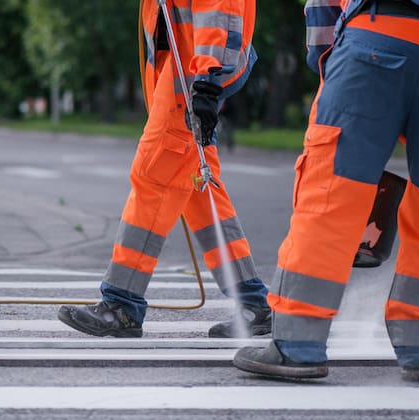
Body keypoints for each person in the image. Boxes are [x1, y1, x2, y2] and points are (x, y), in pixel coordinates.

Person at [233, 0, 419, 381]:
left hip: (374, 38)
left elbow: (323, 7)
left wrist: (329, 61)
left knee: (331, 194)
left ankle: (297, 345)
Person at [58, 0, 270, 338]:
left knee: (153, 179)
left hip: (190, 82)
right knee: (202, 194)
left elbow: (220, 11)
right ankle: (252, 303)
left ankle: (122, 305)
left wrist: (207, 81)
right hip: (188, 78)